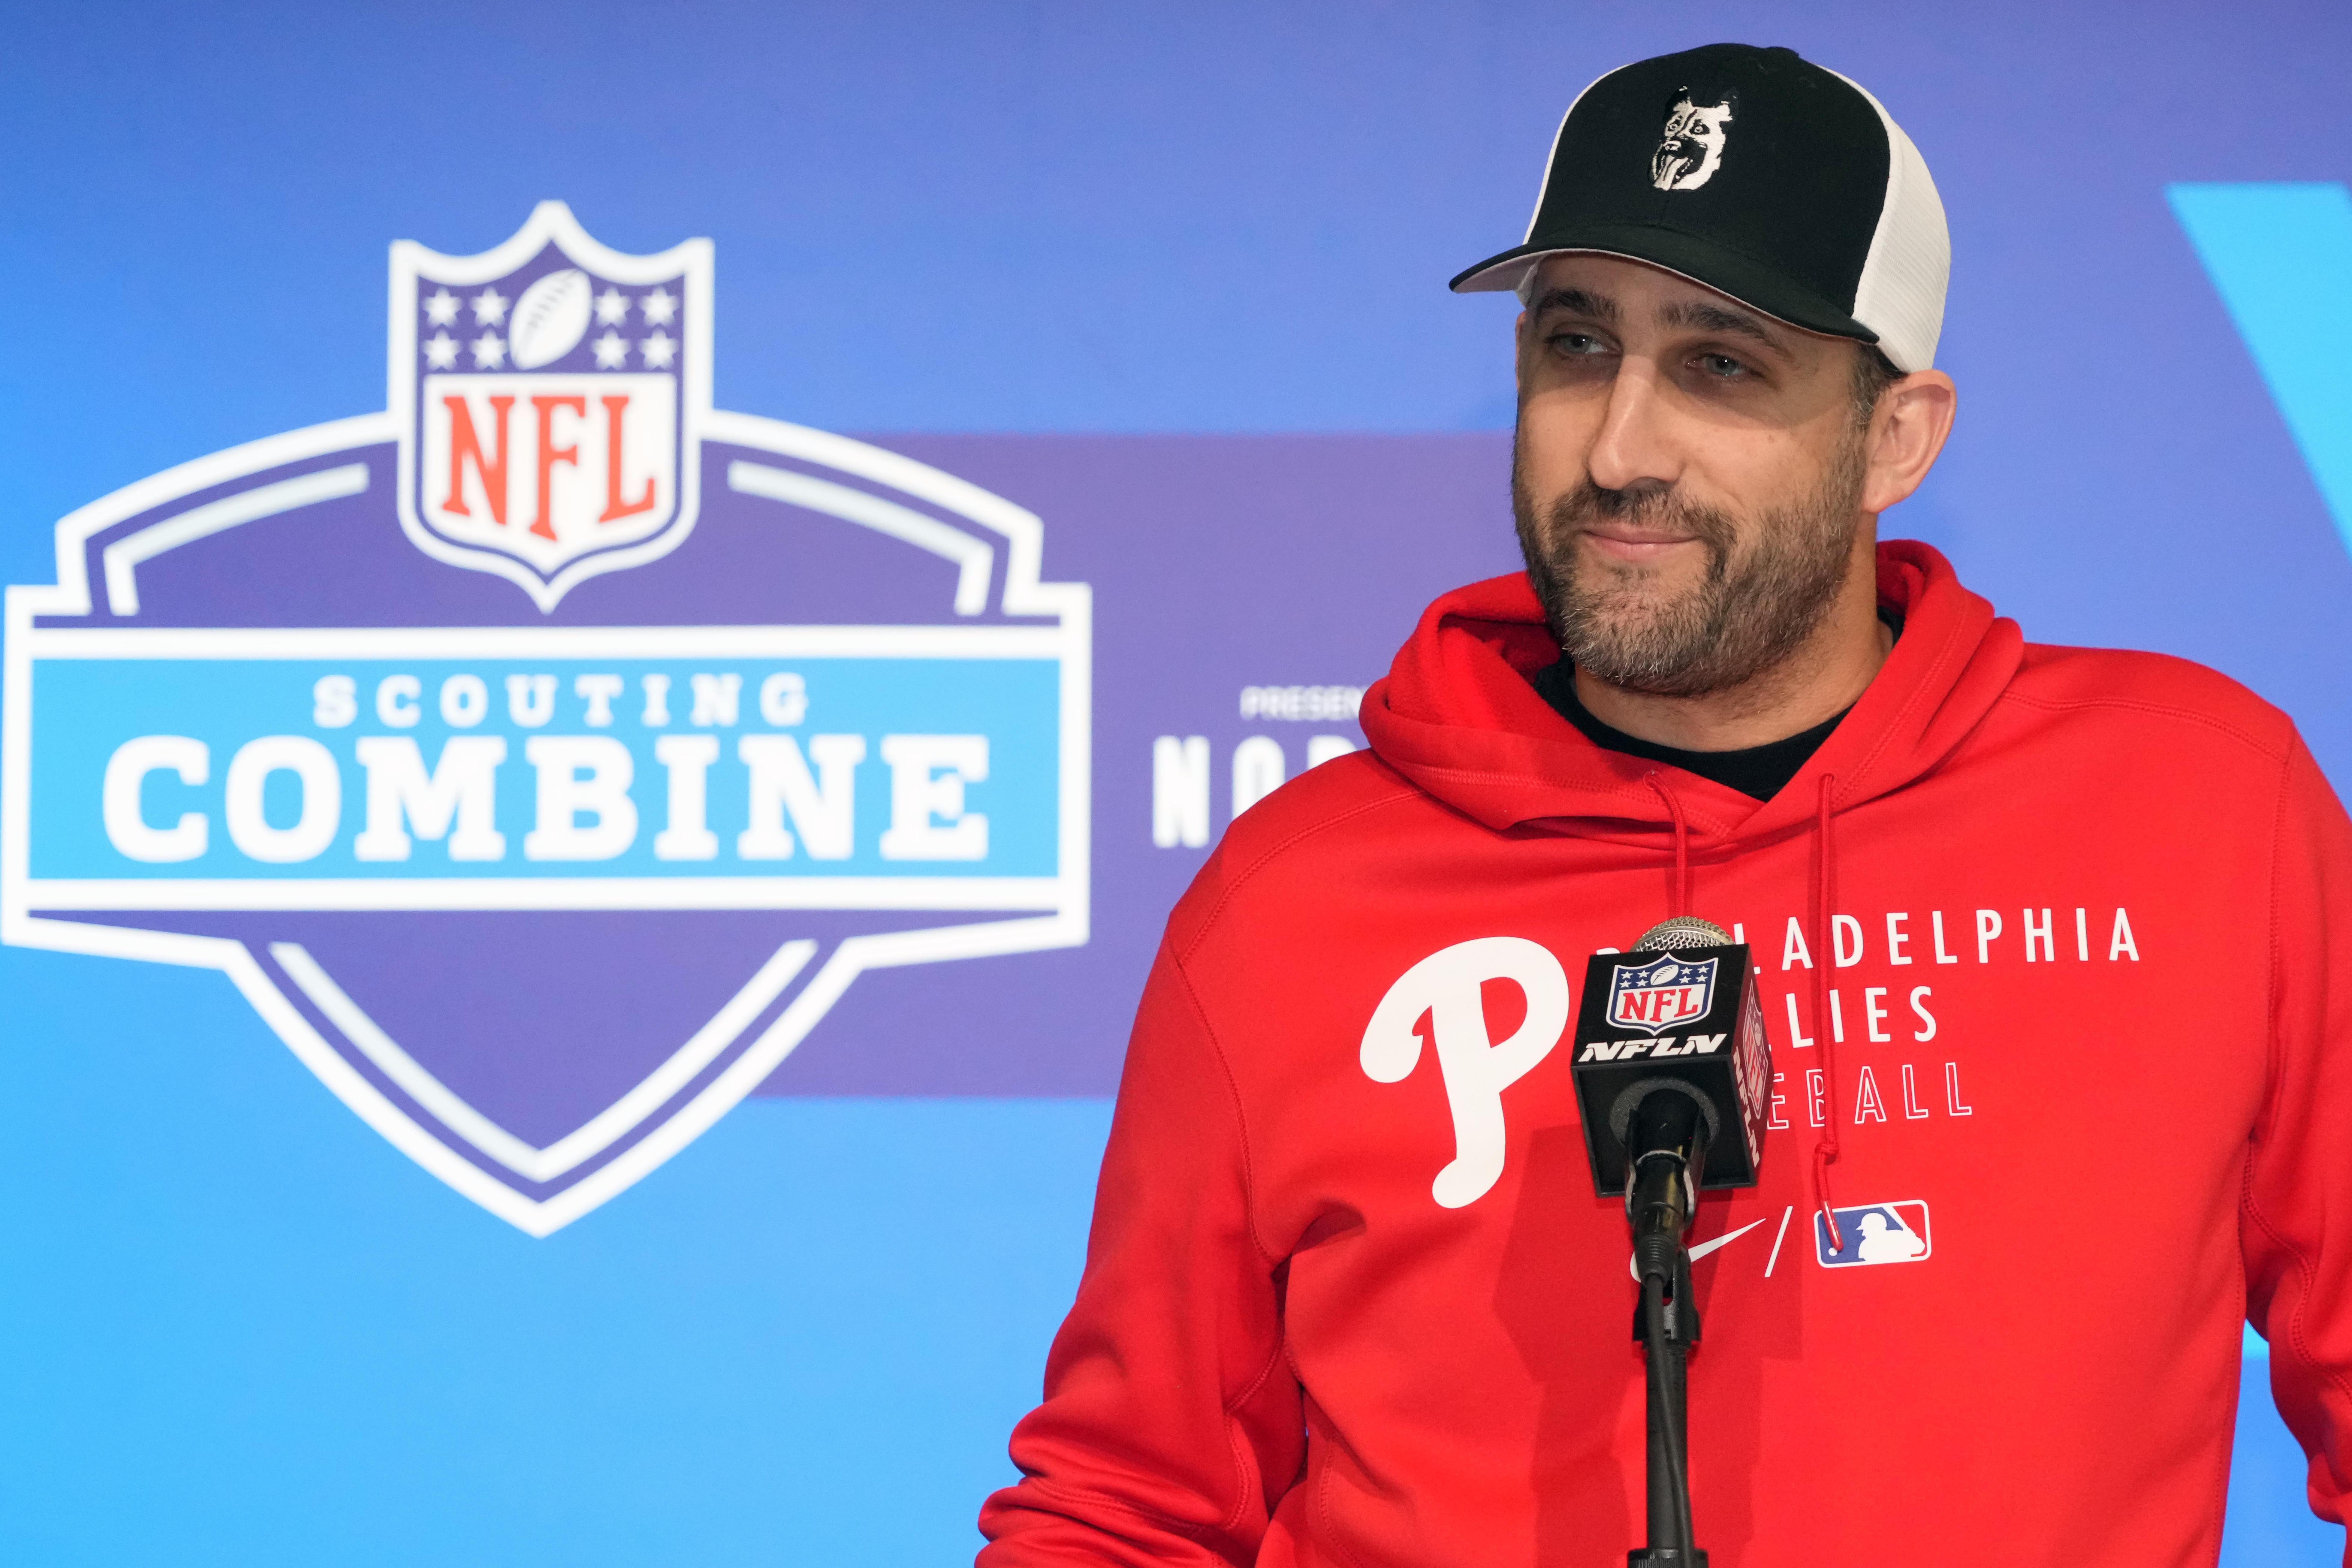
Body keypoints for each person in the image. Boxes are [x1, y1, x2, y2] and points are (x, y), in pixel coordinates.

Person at [979, 42, 2352, 1567]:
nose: (1621, 450)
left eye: (1721, 365)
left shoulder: (2201, 807)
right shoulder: (1296, 899)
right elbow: (1126, 1509)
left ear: (1896, 435)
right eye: (1578, 345)